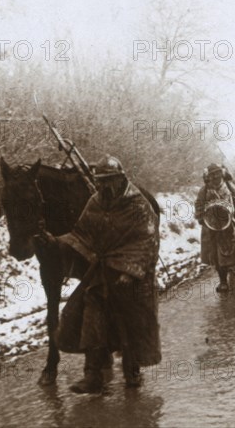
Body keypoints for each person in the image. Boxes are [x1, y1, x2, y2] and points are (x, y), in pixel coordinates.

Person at [41, 154, 161, 393]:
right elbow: (81, 234)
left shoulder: (137, 204)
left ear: (120, 178)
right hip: (102, 271)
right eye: (100, 181)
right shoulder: (95, 202)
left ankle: (132, 370)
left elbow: (147, 240)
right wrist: (56, 243)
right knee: (91, 315)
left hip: (133, 275)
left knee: (129, 321)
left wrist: (130, 271)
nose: (103, 186)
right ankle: (93, 374)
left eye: (108, 181)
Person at [195, 164, 235, 292]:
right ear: (209, 175)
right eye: (212, 174)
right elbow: (199, 205)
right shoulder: (205, 190)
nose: (215, 176)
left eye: (218, 173)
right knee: (216, 255)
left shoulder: (229, 186)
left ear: (222, 173)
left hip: (230, 226)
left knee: (233, 251)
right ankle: (223, 281)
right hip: (212, 227)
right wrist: (201, 217)